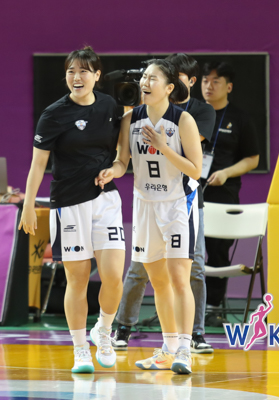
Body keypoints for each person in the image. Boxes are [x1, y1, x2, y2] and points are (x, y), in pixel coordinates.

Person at [19, 46, 125, 374]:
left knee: (113, 277)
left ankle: (103, 331)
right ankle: (80, 349)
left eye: (83, 71)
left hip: (106, 201)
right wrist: (27, 205)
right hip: (68, 204)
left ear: (97, 75)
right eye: (71, 71)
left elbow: (122, 158)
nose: (76, 77)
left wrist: (114, 171)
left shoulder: (111, 107)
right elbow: (38, 165)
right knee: (76, 280)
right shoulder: (54, 114)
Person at [97, 59, 202, 374]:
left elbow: (196, 170)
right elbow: (122, 161)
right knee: (158, 281)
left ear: (169, 88)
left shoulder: (182, 120)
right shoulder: (130, 118)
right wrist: (111, 172)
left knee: (179, 279)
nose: (145, 82)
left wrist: (163, 147)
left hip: (177, 204)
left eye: (152, 78)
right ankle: (168, 349)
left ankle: (185, 349)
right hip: (145, 204)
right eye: (144, 77)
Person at [200, 62, 259, 326]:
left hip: (222, 194)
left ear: (229, 86)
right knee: (184, 251)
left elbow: (253, 158)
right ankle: (183, 306)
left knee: (217, 252)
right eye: (205, 80)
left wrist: (226, 172)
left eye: (216, 81)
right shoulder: (190, 114)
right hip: (189, 192)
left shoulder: (240, 118)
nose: (209, 86)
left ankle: (212, 307)